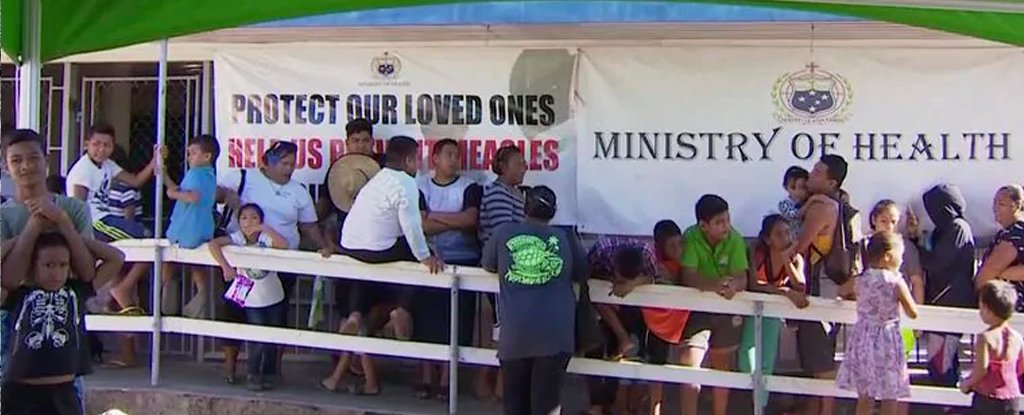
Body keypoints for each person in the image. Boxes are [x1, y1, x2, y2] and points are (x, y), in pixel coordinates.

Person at [327, 135, 443, 396]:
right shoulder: (406, 184)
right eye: (418, 159)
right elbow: (412, 227)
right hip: (378, 249)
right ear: (410, 160)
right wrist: (425, 256)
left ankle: (355, 315)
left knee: (362, 271)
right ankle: (401, 310)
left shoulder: (375, 180)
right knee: (415, 255)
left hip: (351, 246)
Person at [217, 140, 335, 383]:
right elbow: (214, 192)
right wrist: (227, 195)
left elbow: (308, 225)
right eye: (283, 163)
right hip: (243, 268)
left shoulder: (299, 191)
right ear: (268, 161)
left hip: (281, 266)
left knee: (275, 317)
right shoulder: (243, 177)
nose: (289, 168)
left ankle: (270, 371)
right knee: (235, 312)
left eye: (292, 163)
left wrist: (324, 245)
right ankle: (230, 369)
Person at [0, 129, 99, 410]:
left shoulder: (75, 208)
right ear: (6, 166)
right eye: (16, 160)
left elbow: (87, 271)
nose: (26, 166)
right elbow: (8, 278)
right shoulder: (4, 215)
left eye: (33, 158)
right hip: (12, 327)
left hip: (65, 324)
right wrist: (32, 229)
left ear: (47, 160)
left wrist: (63, 222)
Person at [482, 186, 585, 415]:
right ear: (554, 211)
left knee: (515, 407)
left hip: (516, 335)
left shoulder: (502, 232)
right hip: (555, 336)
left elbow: (488, 263)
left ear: (524, 207)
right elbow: (582, 271)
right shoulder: (566, 237)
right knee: (546, 407)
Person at [415, 138, 482, 400]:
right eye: (449, 155)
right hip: (430, 260)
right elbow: (421, 226)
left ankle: (446, 380)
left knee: (456, 323)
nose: (455, 160)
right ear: (434, 159)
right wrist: (453, 221)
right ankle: (425, 378)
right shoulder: (420, 185)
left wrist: (434, 217)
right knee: (426, 321)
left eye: (457, 155)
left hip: (462, 260)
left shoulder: (470, 187)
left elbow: (470, 220)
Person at [0, 233, 93, 415]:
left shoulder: (76, 291)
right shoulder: (18, 295)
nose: (56, 273)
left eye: (63, 265)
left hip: (63, 391)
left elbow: (116, 258)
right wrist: (22, 239)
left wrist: (72, 236)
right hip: (21, 391)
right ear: (32, 266)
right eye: (48, 265)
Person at [785, 155, 849, 415]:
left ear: (832, 182)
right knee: (816, 355)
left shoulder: (822, 207)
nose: (811, 174)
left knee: (820, 358)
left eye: (818, 171)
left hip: (820, 288)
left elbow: (800, 245)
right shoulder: (827, 202)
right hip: (825, 286)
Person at [678, 194, 747, 415]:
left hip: (726, 310)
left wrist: (733, 286)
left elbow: (742, 278)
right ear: (702, 225)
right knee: (689, 363)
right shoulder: (690, 236)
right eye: (719, 222)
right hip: (698, 309)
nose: (726, 226)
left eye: (727, 220)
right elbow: (688, 276)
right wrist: (716, 285)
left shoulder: (735, 239)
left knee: (721, 366)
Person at [208, 203, 288, 391]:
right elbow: (213, 244)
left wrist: (265, 229)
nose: (249, 221)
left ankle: (269, 374)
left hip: (273, 295)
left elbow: (284, 245)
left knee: (272, 337)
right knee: (256, 337)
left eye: (254, 217)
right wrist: (225, 266)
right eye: (244, 218)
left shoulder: (266, 238)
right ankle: (253, 374)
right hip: (251, 298)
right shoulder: (237, 238)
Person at [836, 231, 918, 415]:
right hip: (887, 339)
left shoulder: (860, 280)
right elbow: (912, 312)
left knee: (865, 395)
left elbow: (841, 290)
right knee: (891, 394)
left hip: (863, 338)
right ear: (888, 256)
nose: (902, 260)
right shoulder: (895, 282)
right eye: (900, 256)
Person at [907, 184, 976, 393]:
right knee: (941, 362)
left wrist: (915, 246)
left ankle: (949, 408)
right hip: (942, 301)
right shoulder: (945, 229)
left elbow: (936, 262)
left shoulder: (957, 228)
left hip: (950, 303)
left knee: (942, 364)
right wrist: (916, 238)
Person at [584, 235, 660, 415]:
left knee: (626, 356)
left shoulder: (647, 253)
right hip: (601, 303)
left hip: (635, 309)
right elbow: (586, 273)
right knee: (593, 350)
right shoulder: (602, 249)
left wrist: (632, 284)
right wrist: (609, 282)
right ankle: (597, 405)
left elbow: (654, 277)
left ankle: (619, 405)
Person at [740, 214, 809, 409]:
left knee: (767, 365)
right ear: (767, 239)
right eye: (779, 234)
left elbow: (800, 285)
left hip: (772, 314)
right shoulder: (756, 251)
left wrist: (787, 259)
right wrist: (784, 292)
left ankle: (760, 407)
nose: (785, 238)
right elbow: (754, 284)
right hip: (750, 311)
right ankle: (751, 402)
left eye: (788, 233)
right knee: (747, 361)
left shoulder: (796, 258)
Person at [476, 144, 527, 401]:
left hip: (513, 272)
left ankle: (498, 385)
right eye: (519, 163)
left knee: (507, 329)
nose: (524, 168)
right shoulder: (498, 194)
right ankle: (488, 383)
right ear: (504, 167)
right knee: (502, 330)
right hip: (501, 272)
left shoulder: (514, 193)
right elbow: (504, 235)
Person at [161, 134, 220, 319]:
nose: (189, 157)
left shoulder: (195, 173)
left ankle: (167, 287)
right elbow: (180, 189)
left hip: (186, 227)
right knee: (196, 263)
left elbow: (190, 196)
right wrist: (164, 176)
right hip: (203, 227)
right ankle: (201, 293)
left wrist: (172, 195)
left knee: (168, 257)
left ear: (206, 156)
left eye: (193, 153)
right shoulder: (209, 175)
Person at [960, 280, 1023, 415]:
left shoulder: (985, 338)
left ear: (988, 309)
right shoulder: (1017, 338)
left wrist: (967, 384)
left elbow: (981, 370)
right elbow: (1020, 368)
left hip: (987, 398)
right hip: (1012, 398)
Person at [976, 185, 1024, 310]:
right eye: (995, 203)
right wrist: (1005, 273)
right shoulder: (1006, 232)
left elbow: (990, 270)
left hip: (1011, 309)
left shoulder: (1015, 233)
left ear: (1017, 206)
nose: (995, 209)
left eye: (1001, 204)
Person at [778, 166, 810, 239]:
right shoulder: (784, 204)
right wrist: (811, 202)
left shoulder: (808, 201)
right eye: (793, 187)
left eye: (802, 187)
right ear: (786, 187)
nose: (797, 192)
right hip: (792, 240)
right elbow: (796, 215)